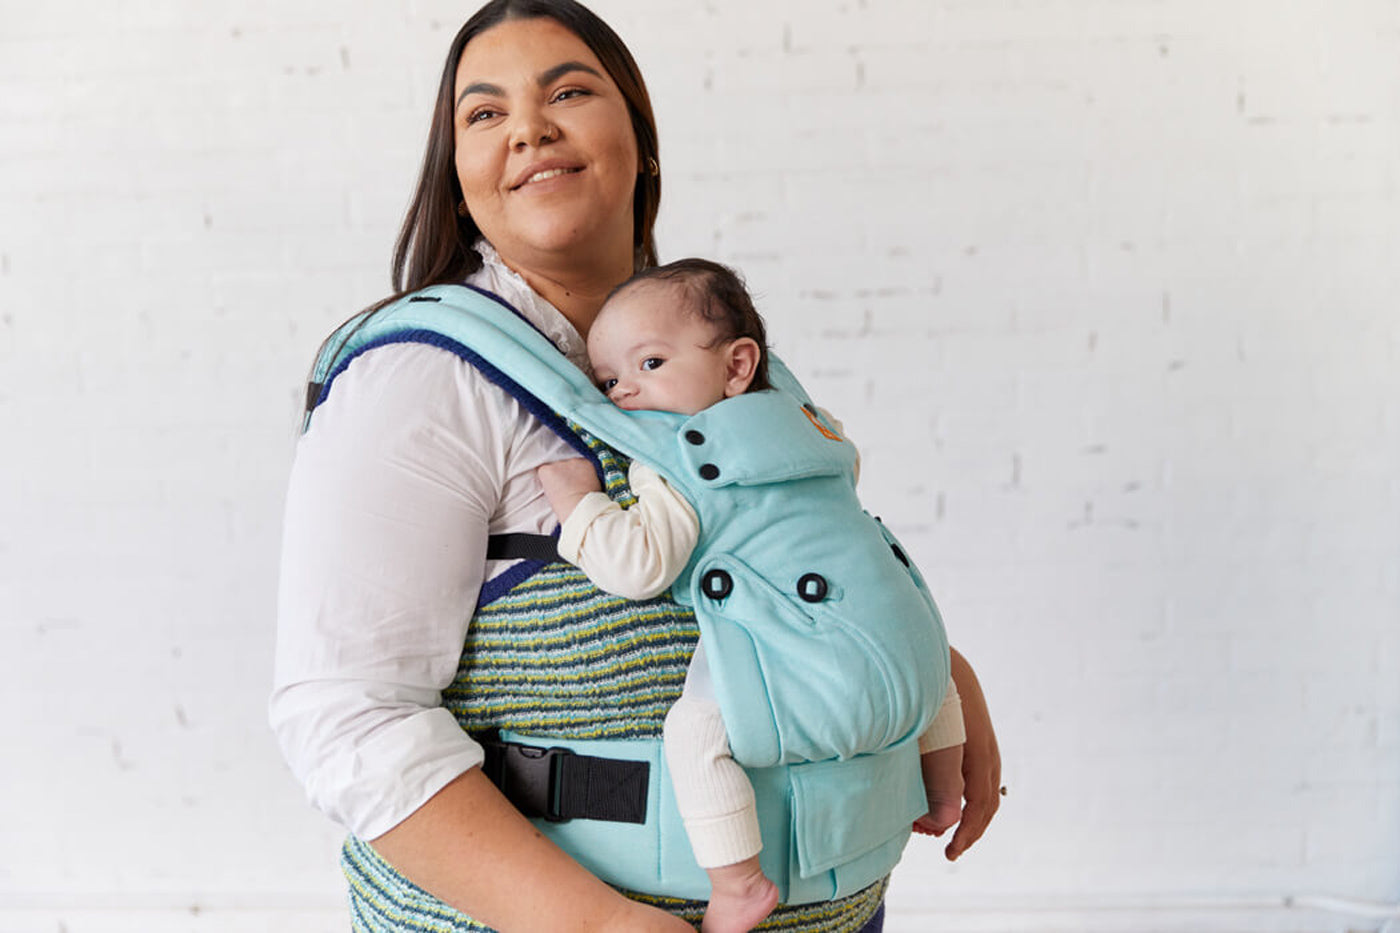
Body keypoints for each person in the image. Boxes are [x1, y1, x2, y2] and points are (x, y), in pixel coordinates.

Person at [270, 1, 1003, 930]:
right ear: (459, 181)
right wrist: (608, 926)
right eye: (484, 113)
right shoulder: (417, 380)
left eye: (568, 91)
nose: (529, 127)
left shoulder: (719, 356)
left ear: (641, 142)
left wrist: (925, 666)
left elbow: (792, 566)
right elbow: (347, 718)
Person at [533, 257, 968, 933]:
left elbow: (639, 565)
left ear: (738, 365)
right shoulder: (811, 425)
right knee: (928, 669)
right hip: (892, 614)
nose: (623, 393)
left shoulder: (683, 458)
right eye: (609, 379)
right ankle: (944, 790)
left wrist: (579, 503)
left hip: (796, 649)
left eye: (649, 364)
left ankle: (737, 883)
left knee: (695, 731)